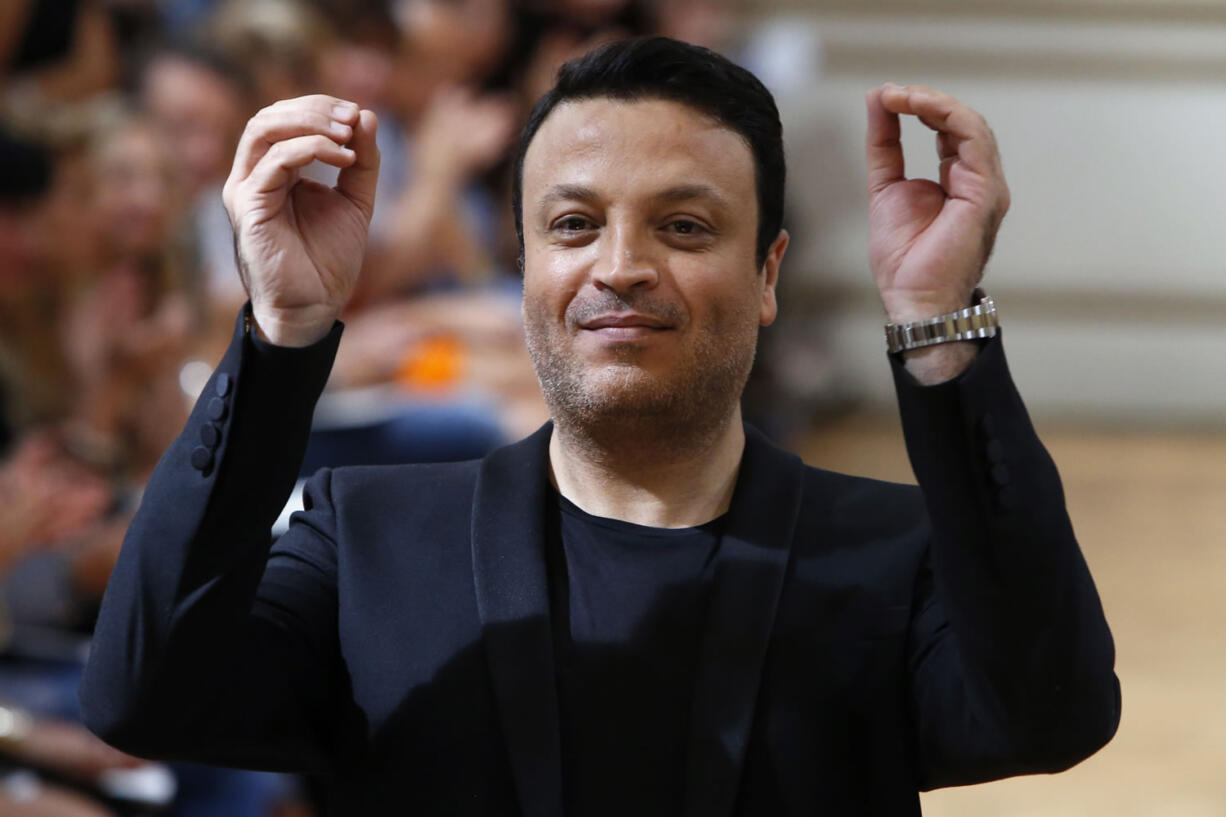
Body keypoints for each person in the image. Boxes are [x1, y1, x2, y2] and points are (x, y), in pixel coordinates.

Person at [79, 37, 1120, 815]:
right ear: (522, 269)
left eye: (683, 225)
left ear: (767, 274)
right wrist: (282, 335)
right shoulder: (370, 541)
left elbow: (1049, 711)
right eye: (572, 225)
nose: (619, 266)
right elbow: (144, 694)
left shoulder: (889, 557)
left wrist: (937, 324)